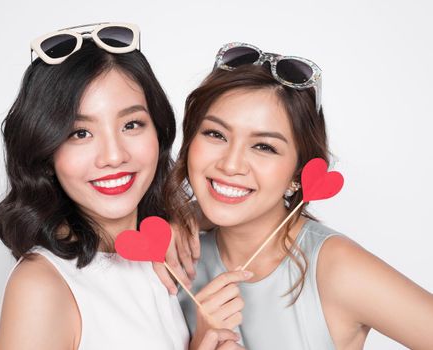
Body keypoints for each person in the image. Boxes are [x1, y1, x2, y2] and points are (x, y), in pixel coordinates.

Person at [0, 22, 241, 350]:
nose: (114, 155)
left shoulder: (161, 250)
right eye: (79, 133)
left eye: (131, 124)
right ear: (46, 151)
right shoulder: (42, 286)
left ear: (159, 133)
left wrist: (181, 215)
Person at [167, 42, 433, 349]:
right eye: (216, 134)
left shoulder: (336, 269)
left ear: (298, 172)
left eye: (264, 146)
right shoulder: (170, 249)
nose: (230, 164)